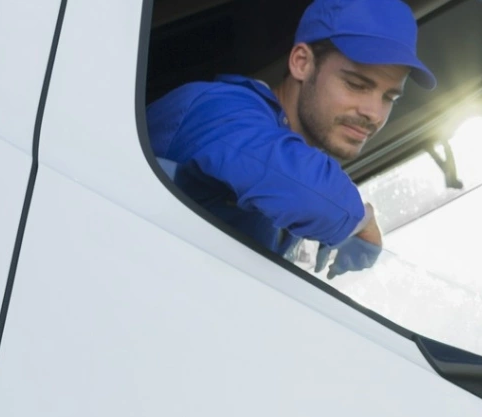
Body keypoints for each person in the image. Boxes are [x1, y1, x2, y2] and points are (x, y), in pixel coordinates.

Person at [146, 0, 436, 277]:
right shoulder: (220, 107)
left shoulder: (298, 192)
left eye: (389, 97)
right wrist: (359, 220)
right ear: (301, 63)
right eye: (356, 84)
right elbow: (290, 180)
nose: (374, 113)